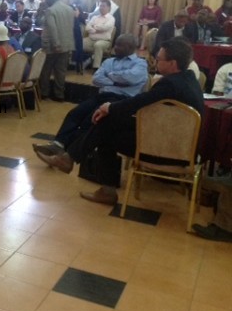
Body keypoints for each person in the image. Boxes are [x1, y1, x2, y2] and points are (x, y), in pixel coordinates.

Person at [35, 37, 204, 205]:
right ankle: (71, 160)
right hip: (181, 147)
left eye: (159, 59)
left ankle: (79, 166)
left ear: (172, 64)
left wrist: (110, 108)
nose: (155, 63)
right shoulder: (189, 80)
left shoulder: (169, 85)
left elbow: (140, 102)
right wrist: (112, 111)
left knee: (106, 131)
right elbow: (147, 110)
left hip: (166, 151)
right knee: (108, 123)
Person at [33, 34, 148, 157]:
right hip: (102, 96)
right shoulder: (109, 61)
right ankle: (58, 144)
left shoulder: (140, 63)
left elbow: (131, 78)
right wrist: (116, 81)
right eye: (116, 44)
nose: (115, 47)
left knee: (89, 120)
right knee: (75, 113)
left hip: (121, 100)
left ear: (129, 47)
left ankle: (66, 152)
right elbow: (97, 79)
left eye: (119, 45)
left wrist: (109, 75)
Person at [39, 0, 75, 102]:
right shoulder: (69, 9)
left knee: (46, 70)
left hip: (52, 46)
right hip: (67, 44)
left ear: (50, 0)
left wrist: (56, 44)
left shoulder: (51, 10)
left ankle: (44, 93)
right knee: (61, 71)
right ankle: (59, 95)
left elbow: (52, 29)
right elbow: (71, 27)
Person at [83, 0, 115, 70]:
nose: (101, 8)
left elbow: (105, 28)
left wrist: (94, 27)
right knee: (79, 43)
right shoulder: (95, 17)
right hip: (91, 39)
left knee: (98, 45)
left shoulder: (111, 18)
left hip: (104, 41)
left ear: (108, 8)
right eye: (100, 6)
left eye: (103, 6)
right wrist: (96, 29)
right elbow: (87, 27)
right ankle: (77, 63)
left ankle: (96, 68)